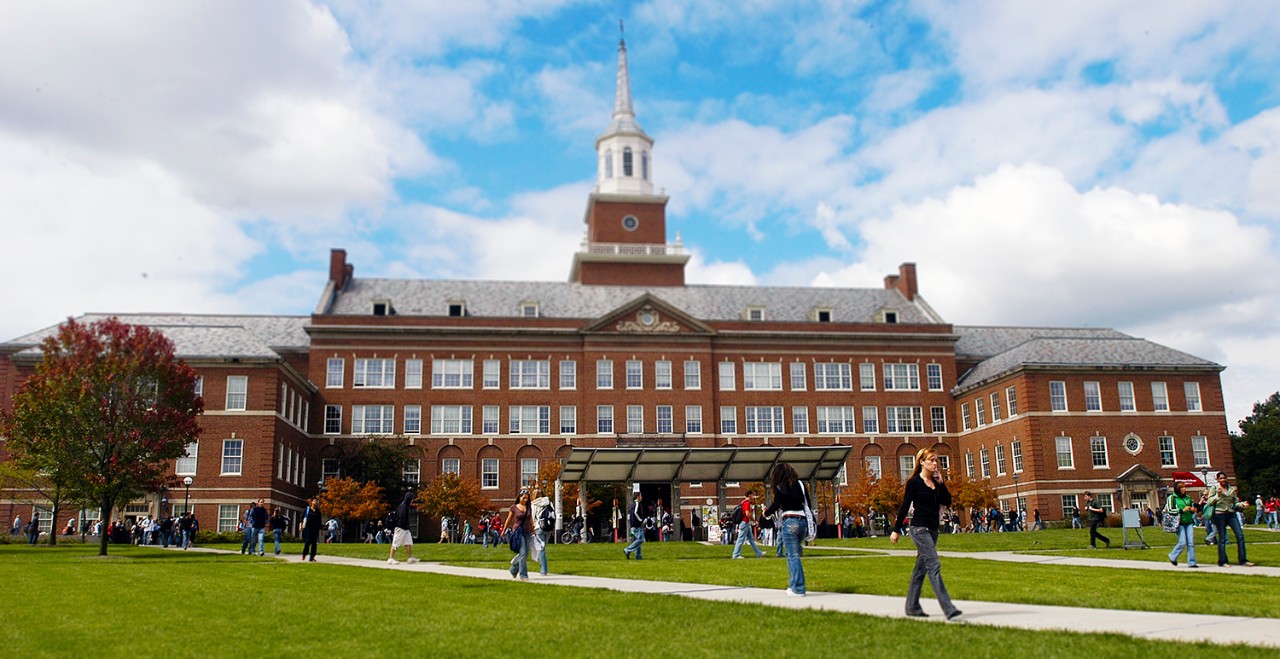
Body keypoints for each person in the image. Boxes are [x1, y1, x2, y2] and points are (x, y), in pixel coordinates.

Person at [891, 448, 962, 620]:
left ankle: (912, 606)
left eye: (936, 460)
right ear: (921, 462)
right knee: (934, 564)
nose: (934, 463)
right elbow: (905, 505)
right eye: (931, 460)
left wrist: (942, 484)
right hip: (919, 529)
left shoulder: (936, 483)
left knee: (920, 569)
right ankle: (948, 608)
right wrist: (896, 529)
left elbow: (947, 501)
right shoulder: (914, 482)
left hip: (933, 530)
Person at [763, 462, 809, 596]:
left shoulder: (780, 487)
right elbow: (807, 502)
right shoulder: (800, 485)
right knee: (792, 553)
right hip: (803, 522)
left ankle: (798, 588)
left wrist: (766, 513)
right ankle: (793, 584)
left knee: (792, 555)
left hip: (790, 521)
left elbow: (776, 505)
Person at [1204, 472, 1253, 567]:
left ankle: (1243, 560)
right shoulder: (1214, 488)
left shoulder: (1231, 489)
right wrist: (1217, 495)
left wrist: (1242, 504)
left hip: (1231, 514)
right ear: (1217, 479)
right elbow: (1209, 501)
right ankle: (1223, 561)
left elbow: (1235, 503)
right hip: (1219, 514)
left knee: (1240, 535)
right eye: (1221, 478)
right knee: (1222, 538)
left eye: (1224, 478)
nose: (1223, 480)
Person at [1166, 481, 1198, 568]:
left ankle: (1192, 562)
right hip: (1179, 523)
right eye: (1182, 487)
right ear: (1177, 489)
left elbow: (1191, 508)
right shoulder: (1172, 498)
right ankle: (1173, 556)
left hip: (1189, 522)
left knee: (1191, 543)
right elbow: (1169, 510)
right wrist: (1181, 510)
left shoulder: (1188, 498)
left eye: (1184, 487)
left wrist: (1192, 510)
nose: (1184, 489)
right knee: (1183, 542)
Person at [503, 490, 533, 580]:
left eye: (527, 498)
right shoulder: (514, 507)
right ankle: (523, 575)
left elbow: (530, 519)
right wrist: (504, 530)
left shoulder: (528, 507)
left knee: (525, 554)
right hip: (518, 532)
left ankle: (513, 569)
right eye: (523, 497)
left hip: (527, 532)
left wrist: (533, 529)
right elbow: (508, 519)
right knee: (522, 553)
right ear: (519, 497)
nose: (525, 500)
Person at [387, 491, 419, 564]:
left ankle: (410, 558)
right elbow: (402, 518)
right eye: (411, 499)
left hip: (405, 528)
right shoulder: (403, 507)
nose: (412, 501)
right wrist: (404, 525)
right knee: (396, 543)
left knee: (408, 542)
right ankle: (391, 558)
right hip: (400, 528)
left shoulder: (404, 506)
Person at [731, 494, 765, 559]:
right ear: (749, 495)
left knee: (751, 539)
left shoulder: (743, 502)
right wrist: (754, 521)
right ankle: (736, 554)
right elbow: (747, 513)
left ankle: (758, 553)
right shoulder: (747, 503)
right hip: (744, 523)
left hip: (745, 523)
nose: (753, 497)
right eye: (752, 495)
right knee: (740, 539)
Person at [530, 487, 552, 576]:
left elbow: (532, 517)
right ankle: (542, 566)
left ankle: (543, 570)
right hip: (548, 527)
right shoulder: (549, 503)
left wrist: (531, 529)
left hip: (538, 527)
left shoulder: (534, 504)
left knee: (541, 549)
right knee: (543, 548)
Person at [623, 491, 645, 560]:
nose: (642, 497)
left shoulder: (632, 504)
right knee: (641, 540)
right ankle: (628, 550)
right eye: (641, 496)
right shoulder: (637, 503)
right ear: (637, 497)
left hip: (633, 525)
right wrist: (640, 520)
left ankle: (638, 556)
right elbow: (636, 513)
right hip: (637, 525)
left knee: (638, 540)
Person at [300, 497, 321, 562]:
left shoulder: (318, 511)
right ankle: (304, 554)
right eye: (314, 501)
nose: (316, 502)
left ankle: (312, 557)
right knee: (308, 542)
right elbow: (302, 517)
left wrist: (321, 529)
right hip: (308, 528)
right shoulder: (307, 509)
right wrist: (300, 525)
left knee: (314, 543)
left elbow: (319, 521)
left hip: (315, 529)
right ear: (311, 502)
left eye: (317, 501)